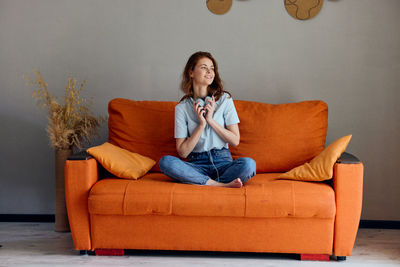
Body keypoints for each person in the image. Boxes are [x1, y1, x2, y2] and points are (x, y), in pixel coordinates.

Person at [159, 51, 256, 188]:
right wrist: (201, 125)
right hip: (197, 164)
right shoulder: (181, 108)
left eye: (212, 68)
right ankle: (219, 185)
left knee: (249, 164)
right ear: (191, 73)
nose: (209, 71)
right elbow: (183, 152)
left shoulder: (225, 100)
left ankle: (203, 182)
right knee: (166, 162)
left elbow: (235, 140)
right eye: (204, 67)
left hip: (223, 162)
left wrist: (210, 120)